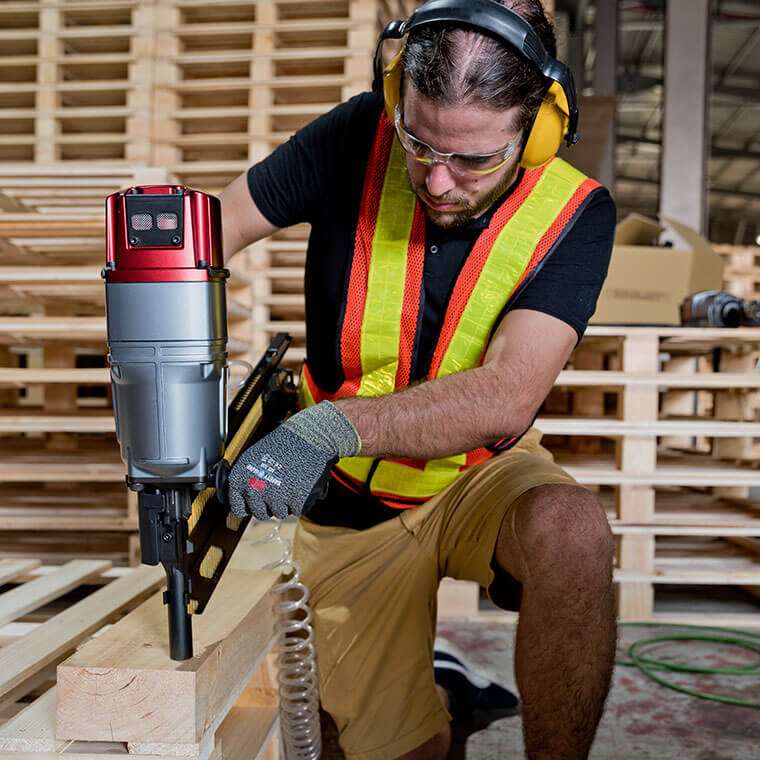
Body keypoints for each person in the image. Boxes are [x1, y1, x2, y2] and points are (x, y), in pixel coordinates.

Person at [220, 0, 617, 757]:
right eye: (419, 143)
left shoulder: (575, 214)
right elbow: (219, 224)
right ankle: (441, 697)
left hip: (469, 482)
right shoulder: (355, 136)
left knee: (572, 532)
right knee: (382, 748)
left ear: (534, 132)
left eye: (474, 160)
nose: (437, 182)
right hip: (344, 502)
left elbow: (507, 393)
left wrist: (323, 428)